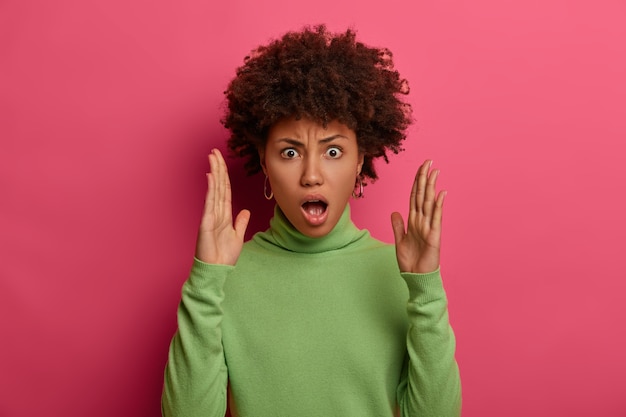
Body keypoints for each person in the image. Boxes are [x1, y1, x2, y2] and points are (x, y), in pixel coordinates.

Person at [162, 25, 461, 417]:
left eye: (333, 151)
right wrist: (206, 281)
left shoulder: (400, 274)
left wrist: (426, 291)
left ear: (360, 160)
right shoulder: (224, 277)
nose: (311, 175)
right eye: (289, 153)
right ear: (264, 162)